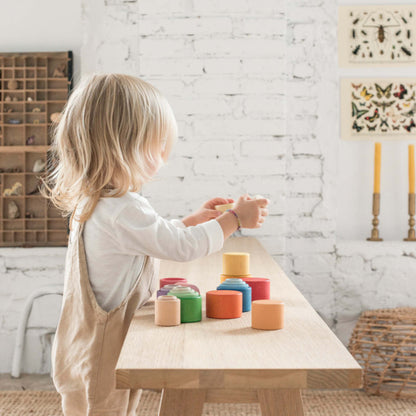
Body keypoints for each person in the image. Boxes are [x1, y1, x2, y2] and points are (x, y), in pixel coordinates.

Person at [44, 73, 269, 416]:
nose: (164, 158)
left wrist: (193, 220)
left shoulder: (99, 202)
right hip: (102, 349)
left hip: (83, 339)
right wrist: (234, 219)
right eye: (158, 147)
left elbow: (155, 237)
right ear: (125, 146)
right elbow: (181, 248)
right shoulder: (124, 209)